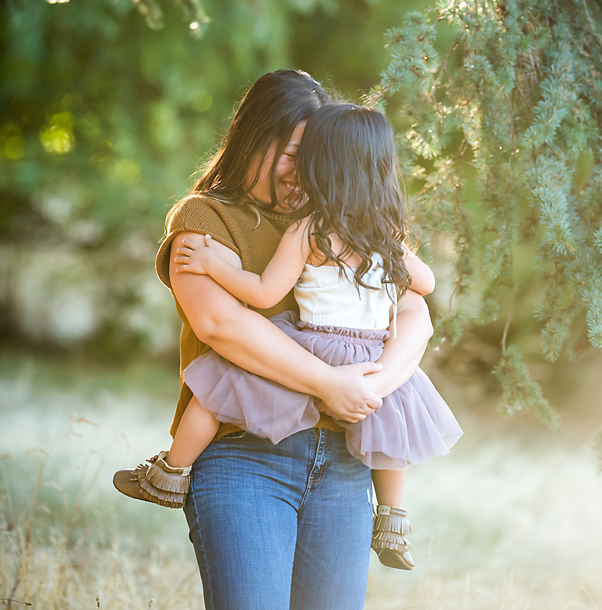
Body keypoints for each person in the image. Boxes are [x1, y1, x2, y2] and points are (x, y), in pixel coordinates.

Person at [114, 70, 435, 610]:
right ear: (252, 139)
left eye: (312, 157)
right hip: (245, 456)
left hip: (343, 461)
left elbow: (416, 312)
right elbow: (220, 324)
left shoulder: (348, 220)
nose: (300, 171)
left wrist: (377, 383)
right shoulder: (205, 221)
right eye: (291, 153)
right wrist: (331, 383)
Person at [115, 104, 462, 576]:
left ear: (325, 166)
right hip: (365, 355)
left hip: (315, 346)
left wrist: (218, 266)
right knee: (388, 431)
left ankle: (169, 474)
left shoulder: (309, 229)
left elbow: (265, 292)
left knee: (216, 385)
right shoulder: (383, 235)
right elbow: (425, 284)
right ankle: (393, 518)